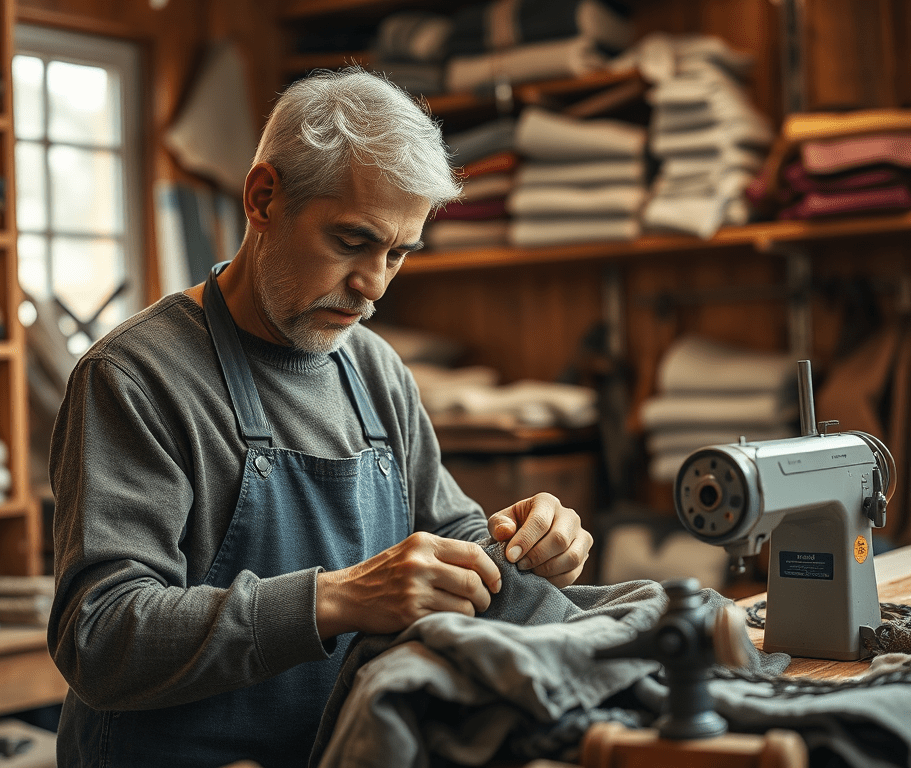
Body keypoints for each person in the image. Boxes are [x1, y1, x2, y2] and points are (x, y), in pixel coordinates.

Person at [47, 67, 593, 768]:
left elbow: (447, 530)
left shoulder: (374, 370)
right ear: (263, 198)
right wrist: (333, 600)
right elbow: (100, 636)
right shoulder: (136, 378)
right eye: (352, 241)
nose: (373, 286)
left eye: (397, 254)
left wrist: (521, 543)